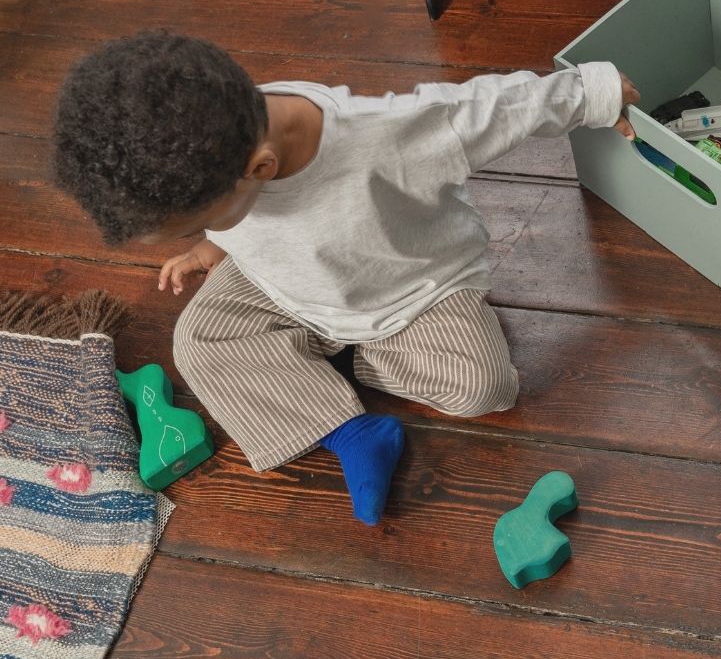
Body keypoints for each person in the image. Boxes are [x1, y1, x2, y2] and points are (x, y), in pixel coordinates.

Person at [53, 31, 639, 525]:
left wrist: (595, 92)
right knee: (198, 341)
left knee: (485, 385)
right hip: (280, 285)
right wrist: (212, 246)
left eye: (199, 224)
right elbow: (239, 224)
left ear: (260, 169)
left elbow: (495, 108)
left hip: (411, 292)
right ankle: (353, 431)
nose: (202, 232)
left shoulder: (386, 136)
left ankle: (322, 370)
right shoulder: (207, 142)